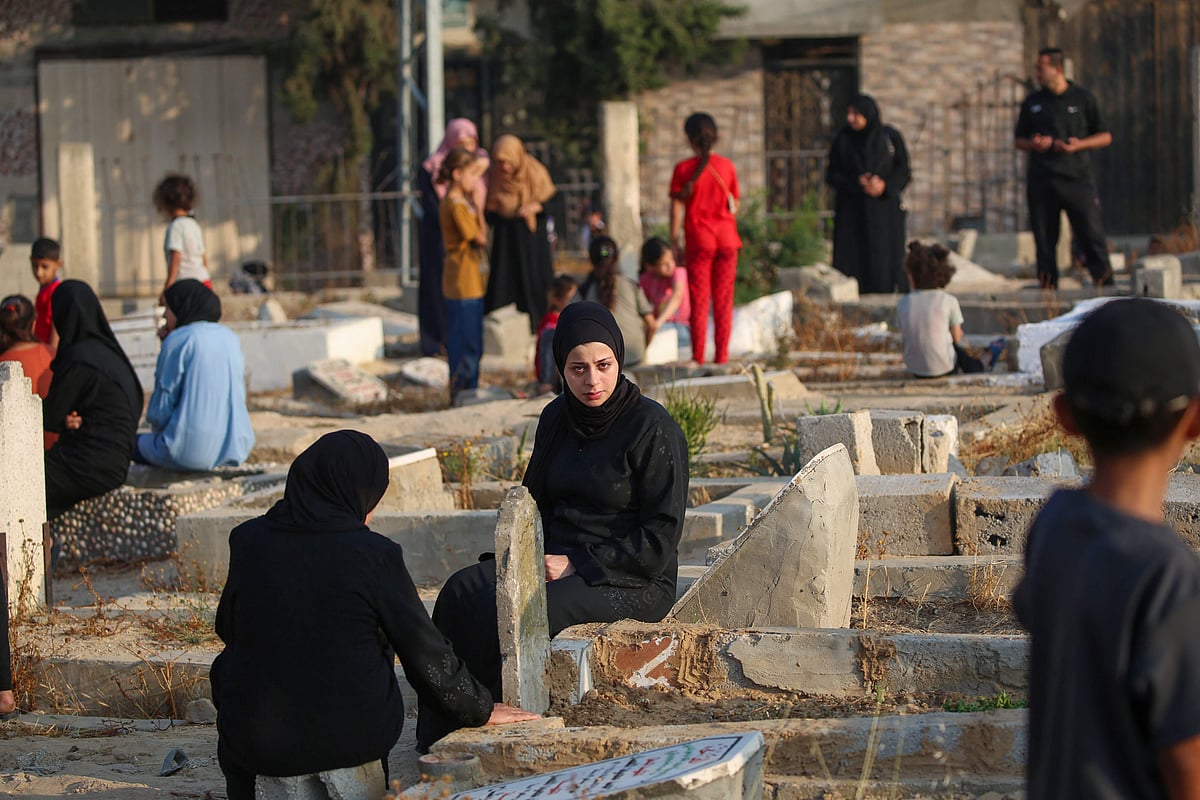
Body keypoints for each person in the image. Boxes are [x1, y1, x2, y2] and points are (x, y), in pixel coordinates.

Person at [417, 301, 688, 752]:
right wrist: (517, 562)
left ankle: (504, 720)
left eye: (603, 366)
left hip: (631, 575)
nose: (592, 381)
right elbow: (533, 502)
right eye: (577, 368)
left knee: (528, 612)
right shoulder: (556, 418)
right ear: (561, 368)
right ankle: (448, 725)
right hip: (552, 559)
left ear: (619, 361)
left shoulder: (653, 428)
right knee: (461, 591)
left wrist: (577, 564)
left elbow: (659, 539)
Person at [212, 430, 537, 800]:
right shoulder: (373, 554)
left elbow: (228, 627)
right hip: (348, 740)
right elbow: (423, 652)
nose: (369, 513)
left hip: (254, 744)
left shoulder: (248, 539)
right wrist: (478, 708)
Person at [1012, 298, 1200, 798]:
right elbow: (1187, 757)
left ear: (1064, 417)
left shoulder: (1053, 526)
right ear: (1196, 421)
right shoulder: (1170, 576)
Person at [44, 280, 142, 527]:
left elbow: (49, 416)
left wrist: (65, 419)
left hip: (90, 464)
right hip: (115, 459)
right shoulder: (107, 353)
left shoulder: (78, 359)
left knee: (16, 482)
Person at [1014, 48, 1114, 290]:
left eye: (1041, 68)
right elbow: (1019, 140)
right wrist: (1036, 144)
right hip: (1042, 180)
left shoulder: (1082, 98)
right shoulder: (1033, 102)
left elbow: (1104, 136)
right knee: (1045, 238)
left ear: (1057, 70)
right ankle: (1048, 289)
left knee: (1091, 233)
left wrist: (1080, 145)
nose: (1037, 73)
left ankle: (1105, 284)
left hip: (1076, 178)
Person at [136, 280, 254, 471]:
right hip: (236, 448)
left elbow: (160, 412)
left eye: (168, 308)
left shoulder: (178, 340)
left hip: (186, 453)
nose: (165, 315)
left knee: (127, 445)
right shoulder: (229, 337)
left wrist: (166, 346)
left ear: (182, 306)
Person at [669, 112, 741, 364]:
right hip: (728, 240)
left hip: (700, 241)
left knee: (699, 300)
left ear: (690, 139)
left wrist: (673, 240)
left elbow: (677, 208)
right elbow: (735, 204)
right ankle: (721, 356)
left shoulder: (683, 169)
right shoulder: (727, 166)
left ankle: (698, 356)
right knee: (723, 299)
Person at [825, 94, 911, 295]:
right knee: (853, 259)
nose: (851, 118)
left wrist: (884, 186)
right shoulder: (843, 140)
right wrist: (857, 183)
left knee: (885, 259)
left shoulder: (889, 138)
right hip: (852, 212)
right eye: (849, 113)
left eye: (856, 113)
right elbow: (832, 175)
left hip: (884, 211)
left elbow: (903, 171)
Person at [418, 119, 488, 357]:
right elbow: (478, 236)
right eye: (462, 143)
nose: (468, 148)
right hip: (447, 253)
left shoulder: (461, 188)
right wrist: (476, 210)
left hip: (460, 263)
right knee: (463, 333)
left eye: (472, 142)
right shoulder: (453, 198)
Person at [895, 241, 1001, 378]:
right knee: (956, 349)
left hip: (914, 368)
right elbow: (956, 338)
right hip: (944, 368)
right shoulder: (948, 300)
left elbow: (905, 334)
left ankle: (981, 361)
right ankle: (983, 362)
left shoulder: (903, 303)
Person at [483, 134, 557, 328]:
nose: (504, 168)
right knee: (504, 281)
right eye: (499, 162)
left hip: (531, 240)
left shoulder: (534, 171)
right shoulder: (494, 177)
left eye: (507, 162)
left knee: (534, 282)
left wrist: (535, 207)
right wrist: (497, 209)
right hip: (506, 239)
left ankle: (539, 323)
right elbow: (488, 212)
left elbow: (551, 201)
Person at [437, 148, 489, 400]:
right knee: (466, 342)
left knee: (470, 340)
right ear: (457, 174)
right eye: (471, 174)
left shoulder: (458, 202)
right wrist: (478, 207)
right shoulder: (456, 204)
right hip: (462, 281)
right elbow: (478, 236)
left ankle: (466, 389)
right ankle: (463, 390)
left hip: (467, 279)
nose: (474, 180)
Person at [578, 236, 653, 367]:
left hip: (602, 361)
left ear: (591, 260)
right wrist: (642, 348)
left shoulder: (585, 290)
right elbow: (652, 325)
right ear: (617, 258)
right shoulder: (631, 285)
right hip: (634, 354)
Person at [0, 295, 57, 449]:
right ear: (33, 324)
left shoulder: (3, 363)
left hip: (13, 455)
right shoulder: (54, 356)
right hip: (54, 452)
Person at [153, 173, 211, 296]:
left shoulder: (176, 226)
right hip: (203, 282)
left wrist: (167, 288)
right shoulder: (193, 224)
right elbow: (203, 257)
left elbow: (176, 257)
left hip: (186, 285)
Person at [638, 236, 691, 356]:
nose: (671, 265)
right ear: (650, 267)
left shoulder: (679, 273)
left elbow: (676, 297)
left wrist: (657, 323)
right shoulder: (645, 280)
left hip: (680, 326)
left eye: (672, 260)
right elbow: (641, 305)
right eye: (664, 264)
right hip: (658, 329)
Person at [534, 275, 578, 395]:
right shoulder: (552, 323)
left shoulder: (562, 319)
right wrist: (546, 381)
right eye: (570, 298)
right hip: (551, 380)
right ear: (557, 300)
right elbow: (546, 354)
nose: (574, 302)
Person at [29, 237, 62, 347]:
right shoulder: (44, 290)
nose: (39, 272)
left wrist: (50, 358)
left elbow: (55, 328)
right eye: (35, 266)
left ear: (58, 264)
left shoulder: (56, 292)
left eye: (45, 267)